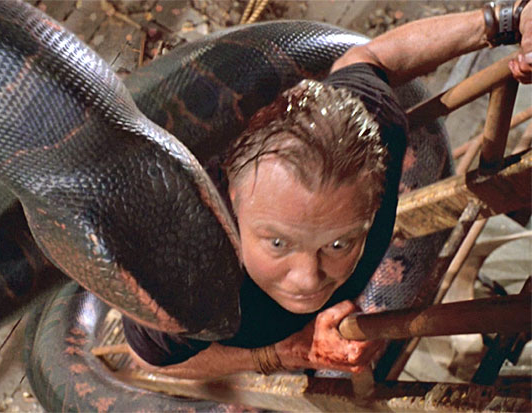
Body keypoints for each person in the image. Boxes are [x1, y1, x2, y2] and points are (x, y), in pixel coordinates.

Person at [122, 1, 531, 379]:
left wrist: (508, 19)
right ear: (229, 206)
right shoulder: (186, 280)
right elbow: (147, 358)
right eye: (278, 242)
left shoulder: (372, 125)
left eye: (338, 243)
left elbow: (371, 58)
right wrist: (278, 355)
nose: (308, 280)